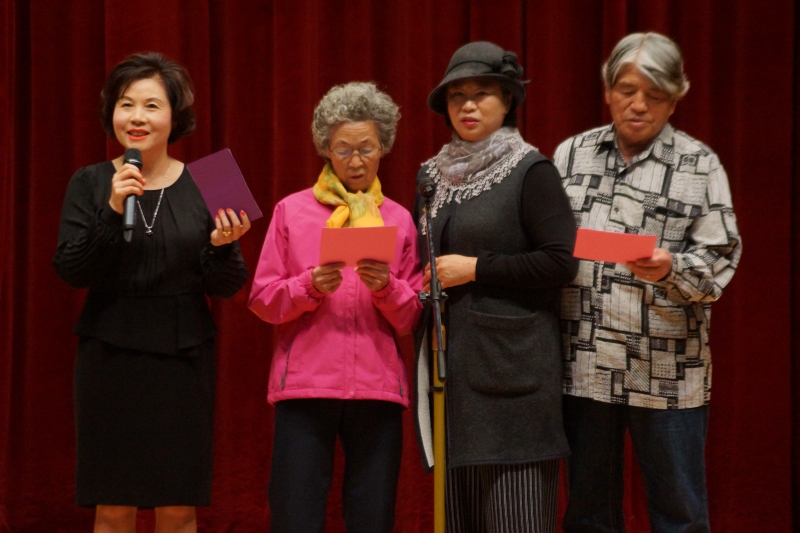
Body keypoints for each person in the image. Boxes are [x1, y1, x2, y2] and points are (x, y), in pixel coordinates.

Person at [52, 52, 249, 533]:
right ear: (112, 113)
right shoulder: (89, 181)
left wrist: (223, 247)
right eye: (126, 104)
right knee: (113, 504)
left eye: (151, 105)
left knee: (178, 505)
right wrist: (111, 207)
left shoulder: (218, 178)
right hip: (108, 352)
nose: (136, 117)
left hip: (184, 355)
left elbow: (228, 285)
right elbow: (72, 270)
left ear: (176, 115)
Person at [554, 33, 742, 533]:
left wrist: (671, 268)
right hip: (584, 365)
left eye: (654, 95)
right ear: (607, 91)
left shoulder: (699, 164)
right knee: (588, 515)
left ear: (675, 98)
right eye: (627, 90)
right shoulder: (570, 155)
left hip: (666, 372)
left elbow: (721, 258)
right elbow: (548, 243)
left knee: (679, 516)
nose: (638, 105)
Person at [413, 41, 579, 532]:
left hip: (515, 383)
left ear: (507, 100)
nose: (467, 105)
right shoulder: (430, 176)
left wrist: (475, 269)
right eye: (457, 95)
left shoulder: (532, 170)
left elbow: (561, 262)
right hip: (451, 382)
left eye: (481, 93)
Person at [248, 81, 422, 533]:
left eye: (366, 148)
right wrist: (307, 286)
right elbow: (263, 300)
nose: (356, 160)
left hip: (378, 389)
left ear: (384, 146)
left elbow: (412, 318)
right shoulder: (291, 211)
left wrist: (387, 288)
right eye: (343, 149)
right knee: (295, 516)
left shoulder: (400, 218)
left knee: (373, 517)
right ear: (326, 149)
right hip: (305, 387)